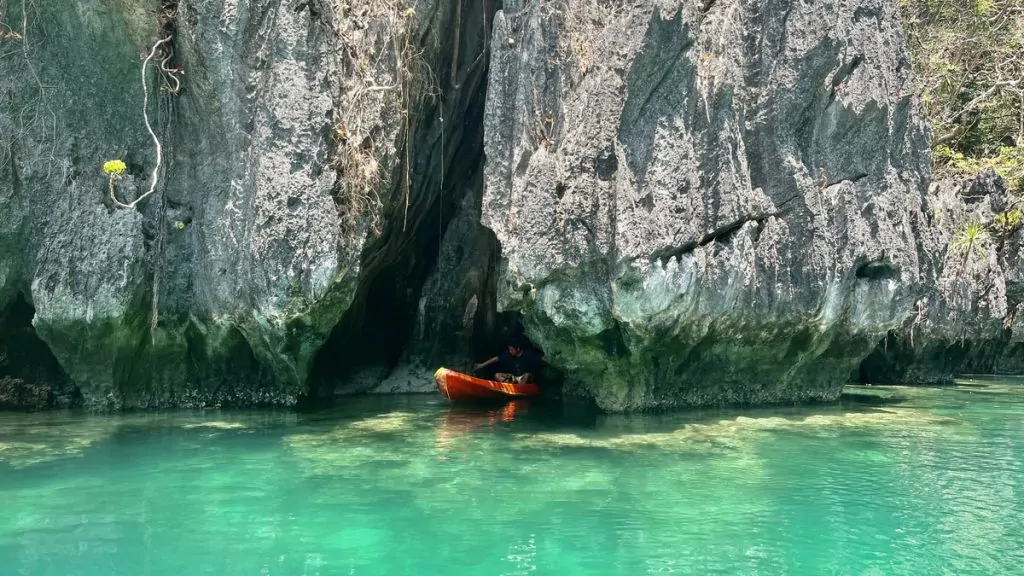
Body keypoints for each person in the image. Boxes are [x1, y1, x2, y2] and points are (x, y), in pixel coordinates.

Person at [474, 340, 544, 384]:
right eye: (509, 350)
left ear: (518, 349)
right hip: (514, 377)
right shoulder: (509, 355)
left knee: (526, 375)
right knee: (497, 375)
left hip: (525, 378)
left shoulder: (528, 354)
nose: (510, 351)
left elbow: (540, 360)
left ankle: (519, 389)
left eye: (511, 350)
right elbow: (496, 358)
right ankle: (510, 385)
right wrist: (481, 365)